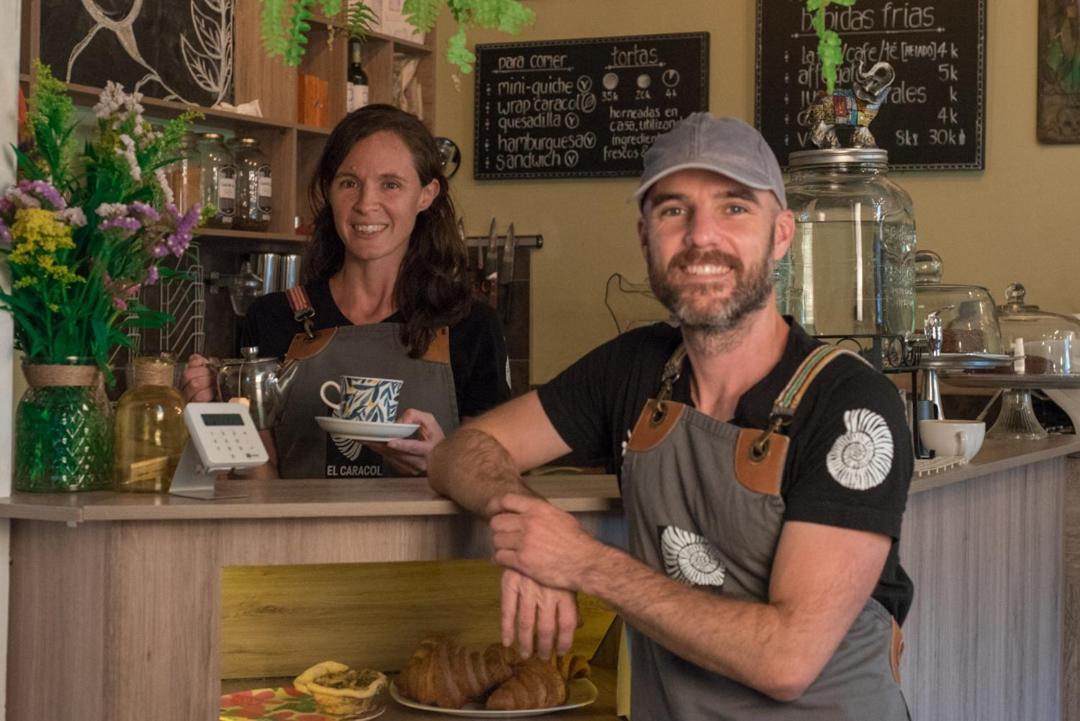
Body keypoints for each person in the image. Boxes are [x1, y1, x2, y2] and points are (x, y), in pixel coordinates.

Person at [429, 114, 913, 719]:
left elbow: (787, 659)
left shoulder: (851, 403)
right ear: (644, 237)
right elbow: (461, 451)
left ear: (782, 234)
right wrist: (525, 522)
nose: (700, 236)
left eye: (734, 208)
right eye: (673, 211)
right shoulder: (634, 367)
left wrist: (581, 561)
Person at [183, 104, 510, 478]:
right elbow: (257, 484)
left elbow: (494, 481)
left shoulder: (471, 325)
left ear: (426, 194)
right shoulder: (273, 317)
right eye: (349, 182)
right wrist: (215, 412)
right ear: (329, 190)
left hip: (426, 539)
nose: (365, 204)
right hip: (299, 537)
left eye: (391, 184)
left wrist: (445, 461)